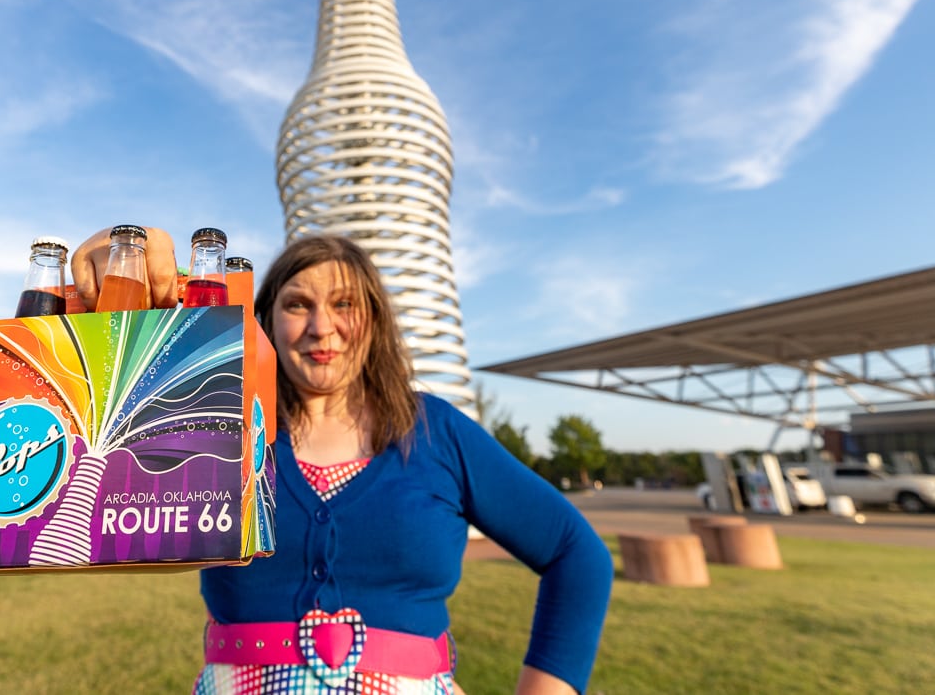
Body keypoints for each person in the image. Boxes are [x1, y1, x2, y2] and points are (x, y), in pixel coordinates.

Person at [73, 228, 613, 695]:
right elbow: (106, 527)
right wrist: (125, 266)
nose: (321, 327)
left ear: (375, 320)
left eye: (345, 304)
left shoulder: (437, 432)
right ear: (266, 319)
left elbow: (576, 553)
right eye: (298, 304)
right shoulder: (219, 428)